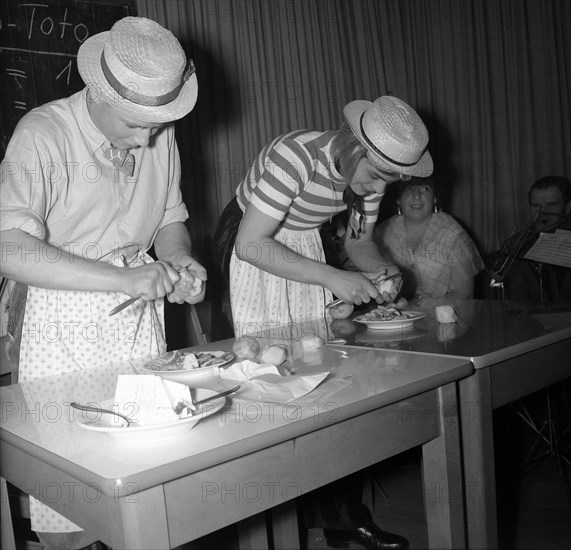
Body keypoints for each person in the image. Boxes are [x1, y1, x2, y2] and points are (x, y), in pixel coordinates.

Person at [0, 17, 205, 550]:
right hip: (58, 319)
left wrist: (180, 262)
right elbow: (10, 249)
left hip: (137, 311)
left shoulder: (157, 127)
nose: (148, 139)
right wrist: (121, 278)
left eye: (157, 126)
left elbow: (168, 217)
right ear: (97, 91)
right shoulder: (43, 134)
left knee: (146, 468)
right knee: (73, 488)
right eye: (136, 125)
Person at [215, 95, 434, 549]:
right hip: (250, 246)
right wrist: (335, 278)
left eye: (389, 178)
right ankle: (267, 525)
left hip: (303, 249)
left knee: (322, 376)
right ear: (352, 146)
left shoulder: (375, 175)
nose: (377, 187)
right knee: (265, 378)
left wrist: (379, 271)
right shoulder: (293, 155)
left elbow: (360, 243)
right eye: (375, 174)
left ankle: (345, 516)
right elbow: (252, 244)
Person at [373, 177, 484, 303]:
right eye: (408, 189)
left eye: (424, 188)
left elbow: (464, 295)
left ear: (435, 197)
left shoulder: (454, 234)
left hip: (443, 317)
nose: (416, 196)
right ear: (398, 199)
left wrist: (420, 311)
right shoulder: (381, 232)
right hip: (392, 319)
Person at [502, 175, 571, 303]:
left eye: (551, 205)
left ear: (567, 207)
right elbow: (518, 297)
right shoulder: (517, 244)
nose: (542, 213)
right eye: (536, 206)